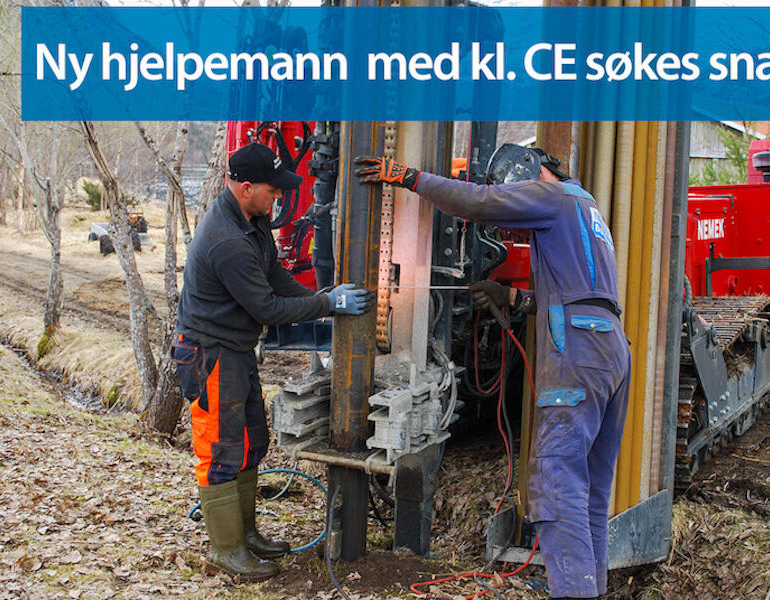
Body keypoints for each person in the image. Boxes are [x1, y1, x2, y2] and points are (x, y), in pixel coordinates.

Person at [355, 145, 631, 599]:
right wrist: (514, 299)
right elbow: (580, 291)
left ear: (528, 174)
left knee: (557, 482)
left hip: (578, 352)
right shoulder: (585, 207)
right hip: (611, 347)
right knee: (590, 490)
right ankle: (586, 588)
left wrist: (408, 177)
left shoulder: (551, 195)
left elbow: (479, 203)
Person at [174, 142, 371, 582]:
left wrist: (321, 297)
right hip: (210, 353)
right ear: (246, 187)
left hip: (235, 348)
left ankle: (246, 536)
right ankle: (226, 550)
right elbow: (267, 308)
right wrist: (327, 305)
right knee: (220, 451)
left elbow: (274, 275)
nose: (279, 195)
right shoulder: (226, 240)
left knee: (249, 443)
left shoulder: (253, 220)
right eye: (273, 189)